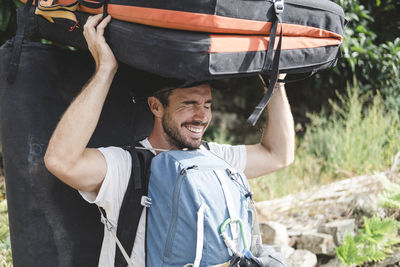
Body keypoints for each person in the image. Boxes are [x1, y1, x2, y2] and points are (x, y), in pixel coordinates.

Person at [44, 14, 295, 266]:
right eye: (189, 104)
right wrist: (105, 70)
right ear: (155, 106)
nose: (202, 116)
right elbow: (61, 161)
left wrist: (276, 85)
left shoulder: (216, 159)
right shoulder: (128, 166)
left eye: (207, 104)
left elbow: (278, 155)